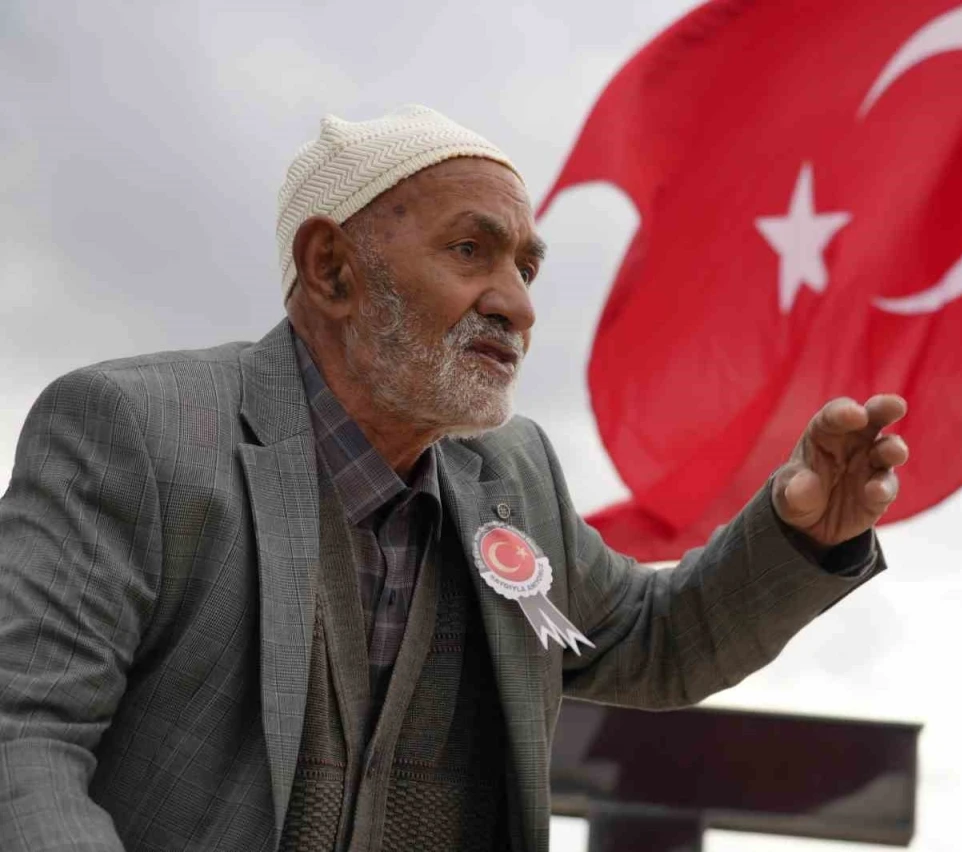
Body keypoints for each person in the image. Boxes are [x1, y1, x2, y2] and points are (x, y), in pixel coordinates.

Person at [0, 106, 908, 852]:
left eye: (525, 266)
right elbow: (23, 734)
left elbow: (656, 640)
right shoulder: (137, 432)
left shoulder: (515, 471)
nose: (516, 304)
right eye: (472, 251)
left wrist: (803, 535)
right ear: (332, 270)